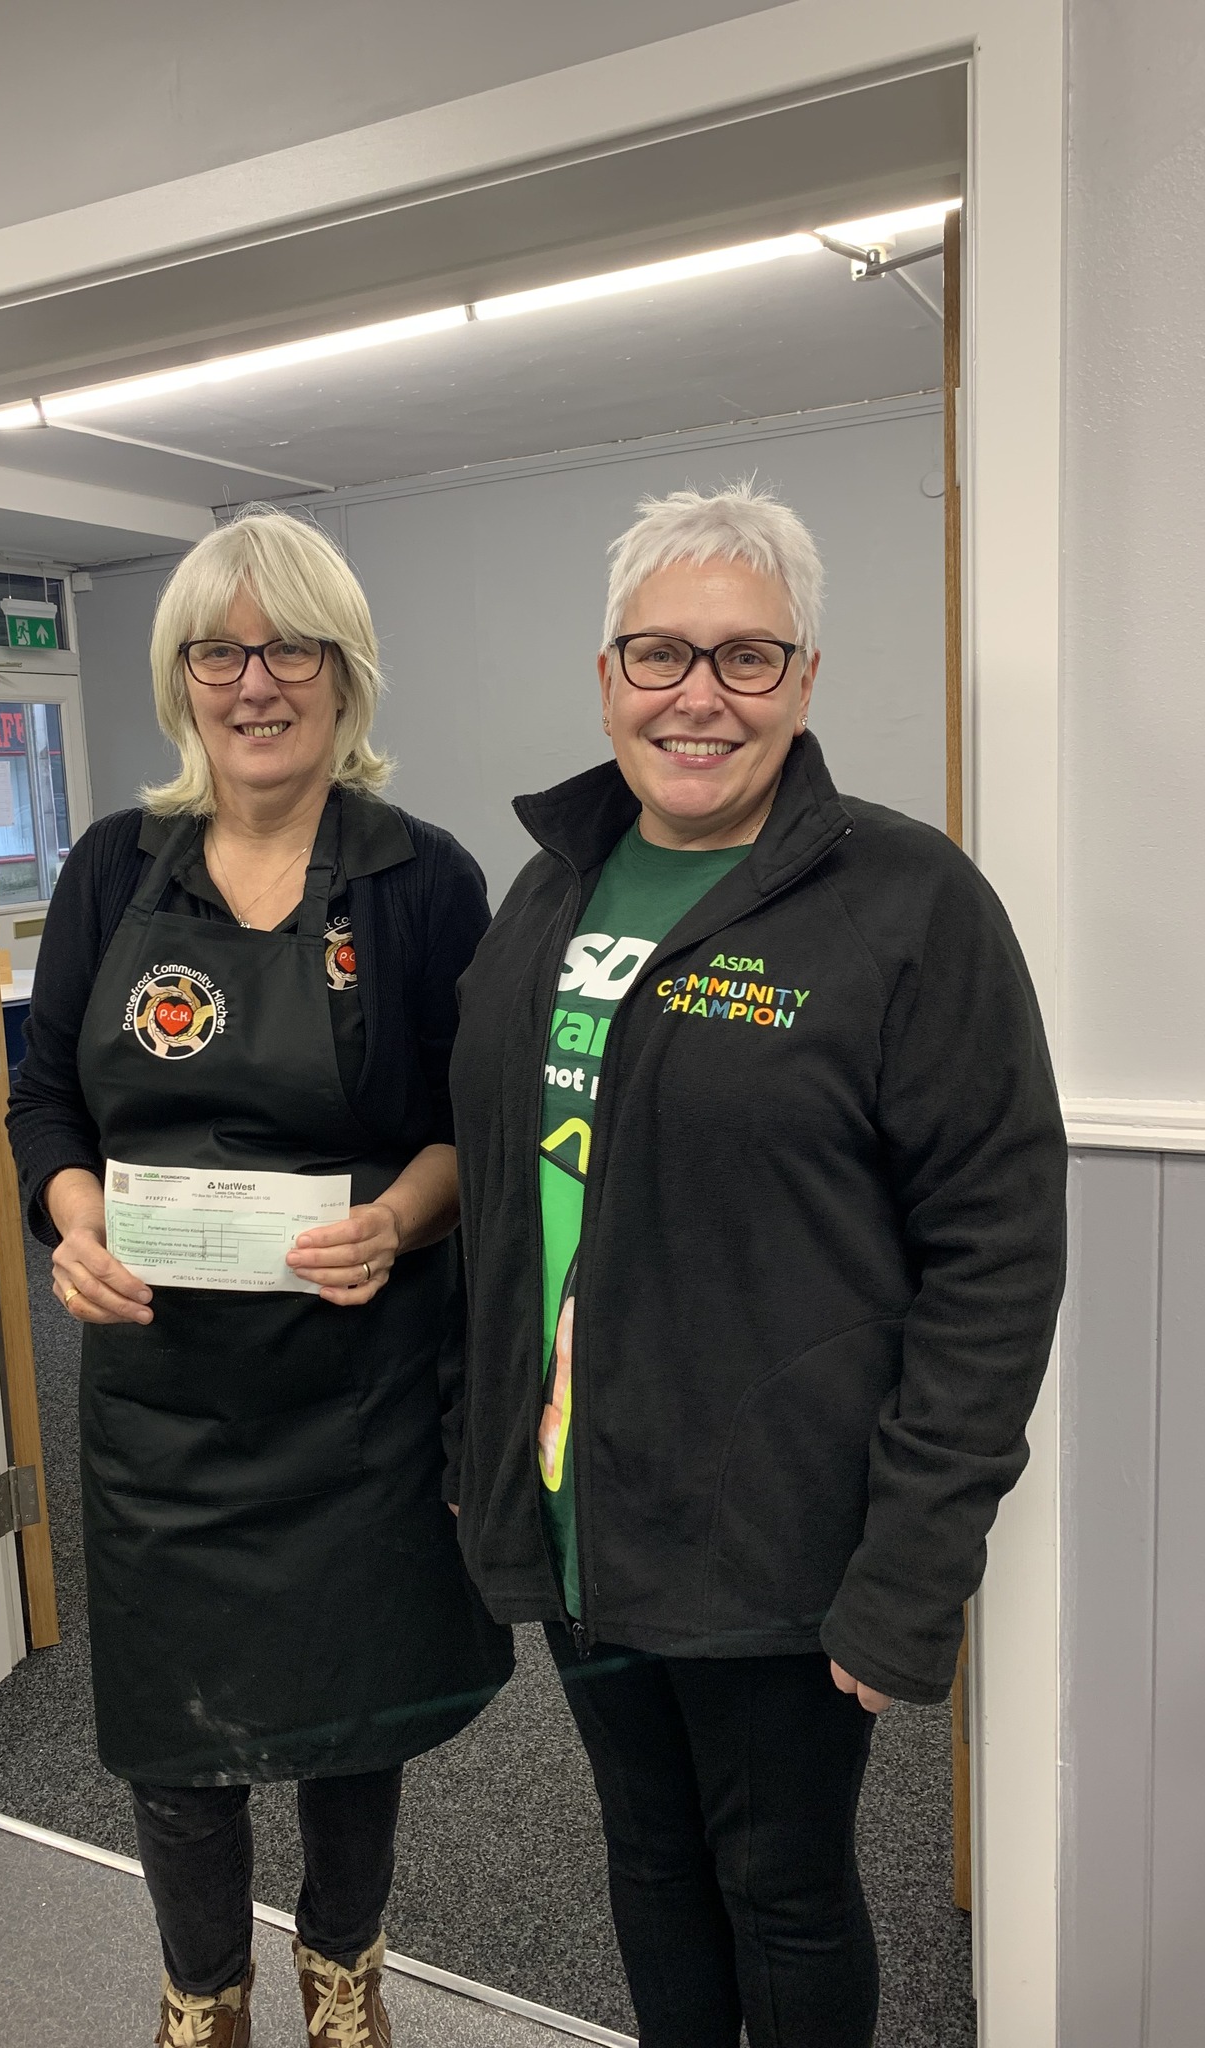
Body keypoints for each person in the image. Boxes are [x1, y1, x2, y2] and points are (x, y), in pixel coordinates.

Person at [448, 483, 1067, 2048]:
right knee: (650, 1859)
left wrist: (914, 1566)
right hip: (584, 1516)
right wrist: (484, 1449)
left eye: (747, 656)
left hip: (776, 1536)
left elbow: (996, 1251)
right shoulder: (551, 888)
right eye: (660, 654)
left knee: (780, 1886)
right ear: (608, 676)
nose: (699, 696)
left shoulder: (908, 902)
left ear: (803, 679)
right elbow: (516, 1197)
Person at [7, 508, 512, 2048]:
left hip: (356, 1396)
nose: (254, 681)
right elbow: (46, 1099)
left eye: (290, 647)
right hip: (166, 1404)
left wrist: (401, 1219)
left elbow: (473, 1128)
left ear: (343, 673)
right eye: (217, 653)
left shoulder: (423, 880)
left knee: (353, 1724)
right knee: (179, 1740)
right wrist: (74, 1220)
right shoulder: (112, 868)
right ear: (181, 679)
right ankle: (202, 1998)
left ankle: (343, 1975)